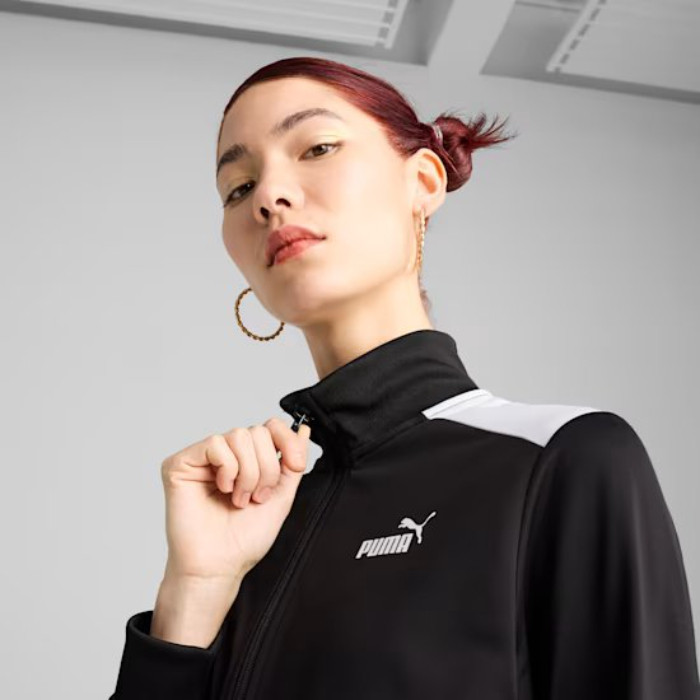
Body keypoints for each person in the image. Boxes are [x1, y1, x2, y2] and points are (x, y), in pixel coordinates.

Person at [110, 56, 700, 699]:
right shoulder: (251, 528)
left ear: (422, 181)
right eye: (238, 187)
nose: (269, 197)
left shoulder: (562, 458)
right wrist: (193, 591)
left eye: (318, 148)